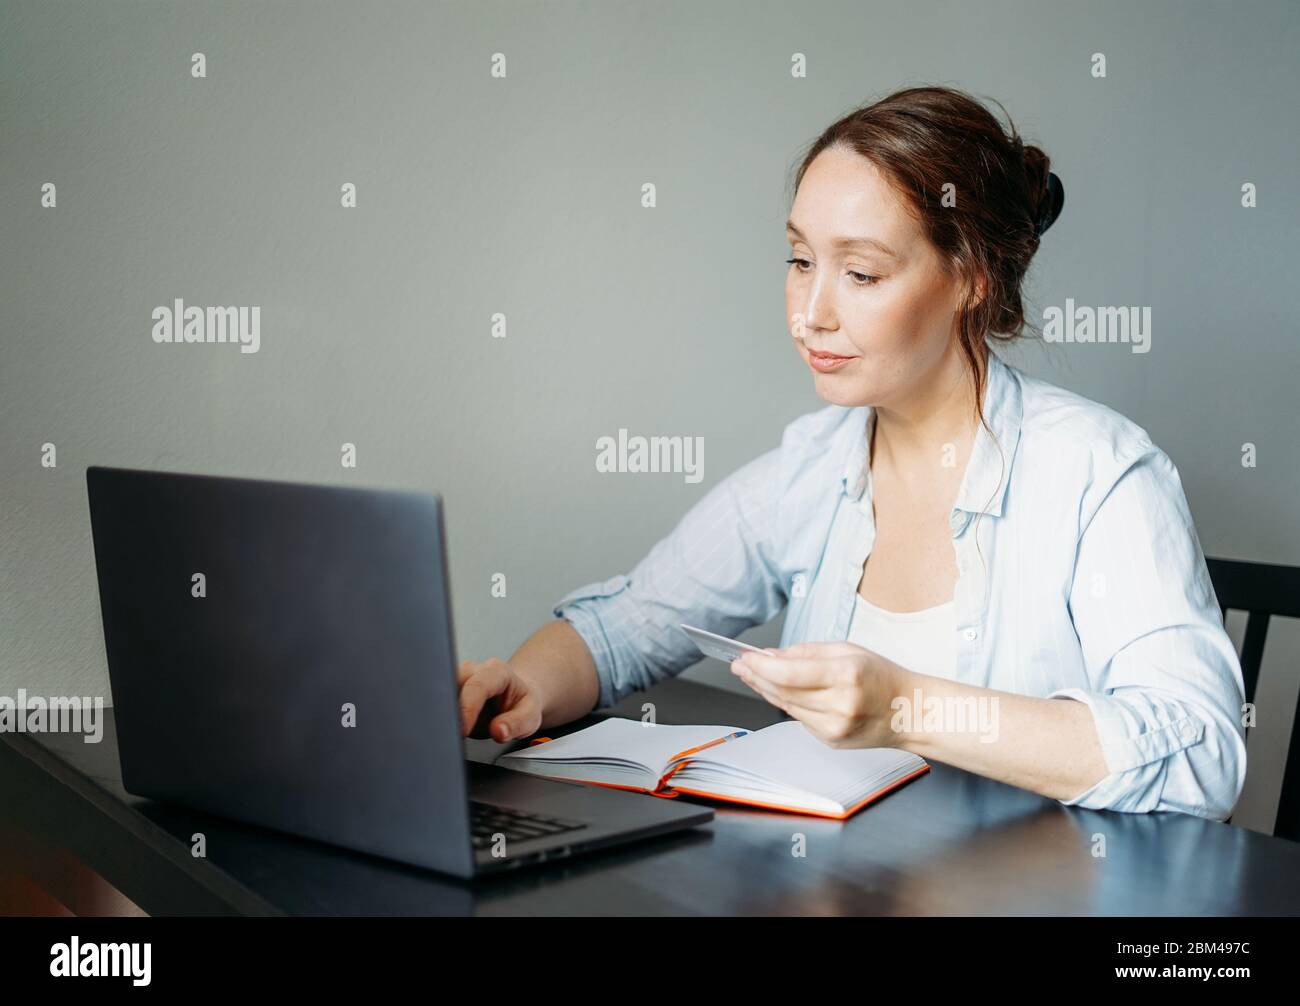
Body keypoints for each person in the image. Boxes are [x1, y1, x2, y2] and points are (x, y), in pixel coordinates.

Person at [457, 85, 1246, 820]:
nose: (811, 314)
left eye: (861, 272)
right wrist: (522, 683)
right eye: (801, 261)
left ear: (971, 275)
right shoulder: (813, 464)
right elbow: (627, 626)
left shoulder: (1100, 472)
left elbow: (1200, 753)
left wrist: (906, 707)